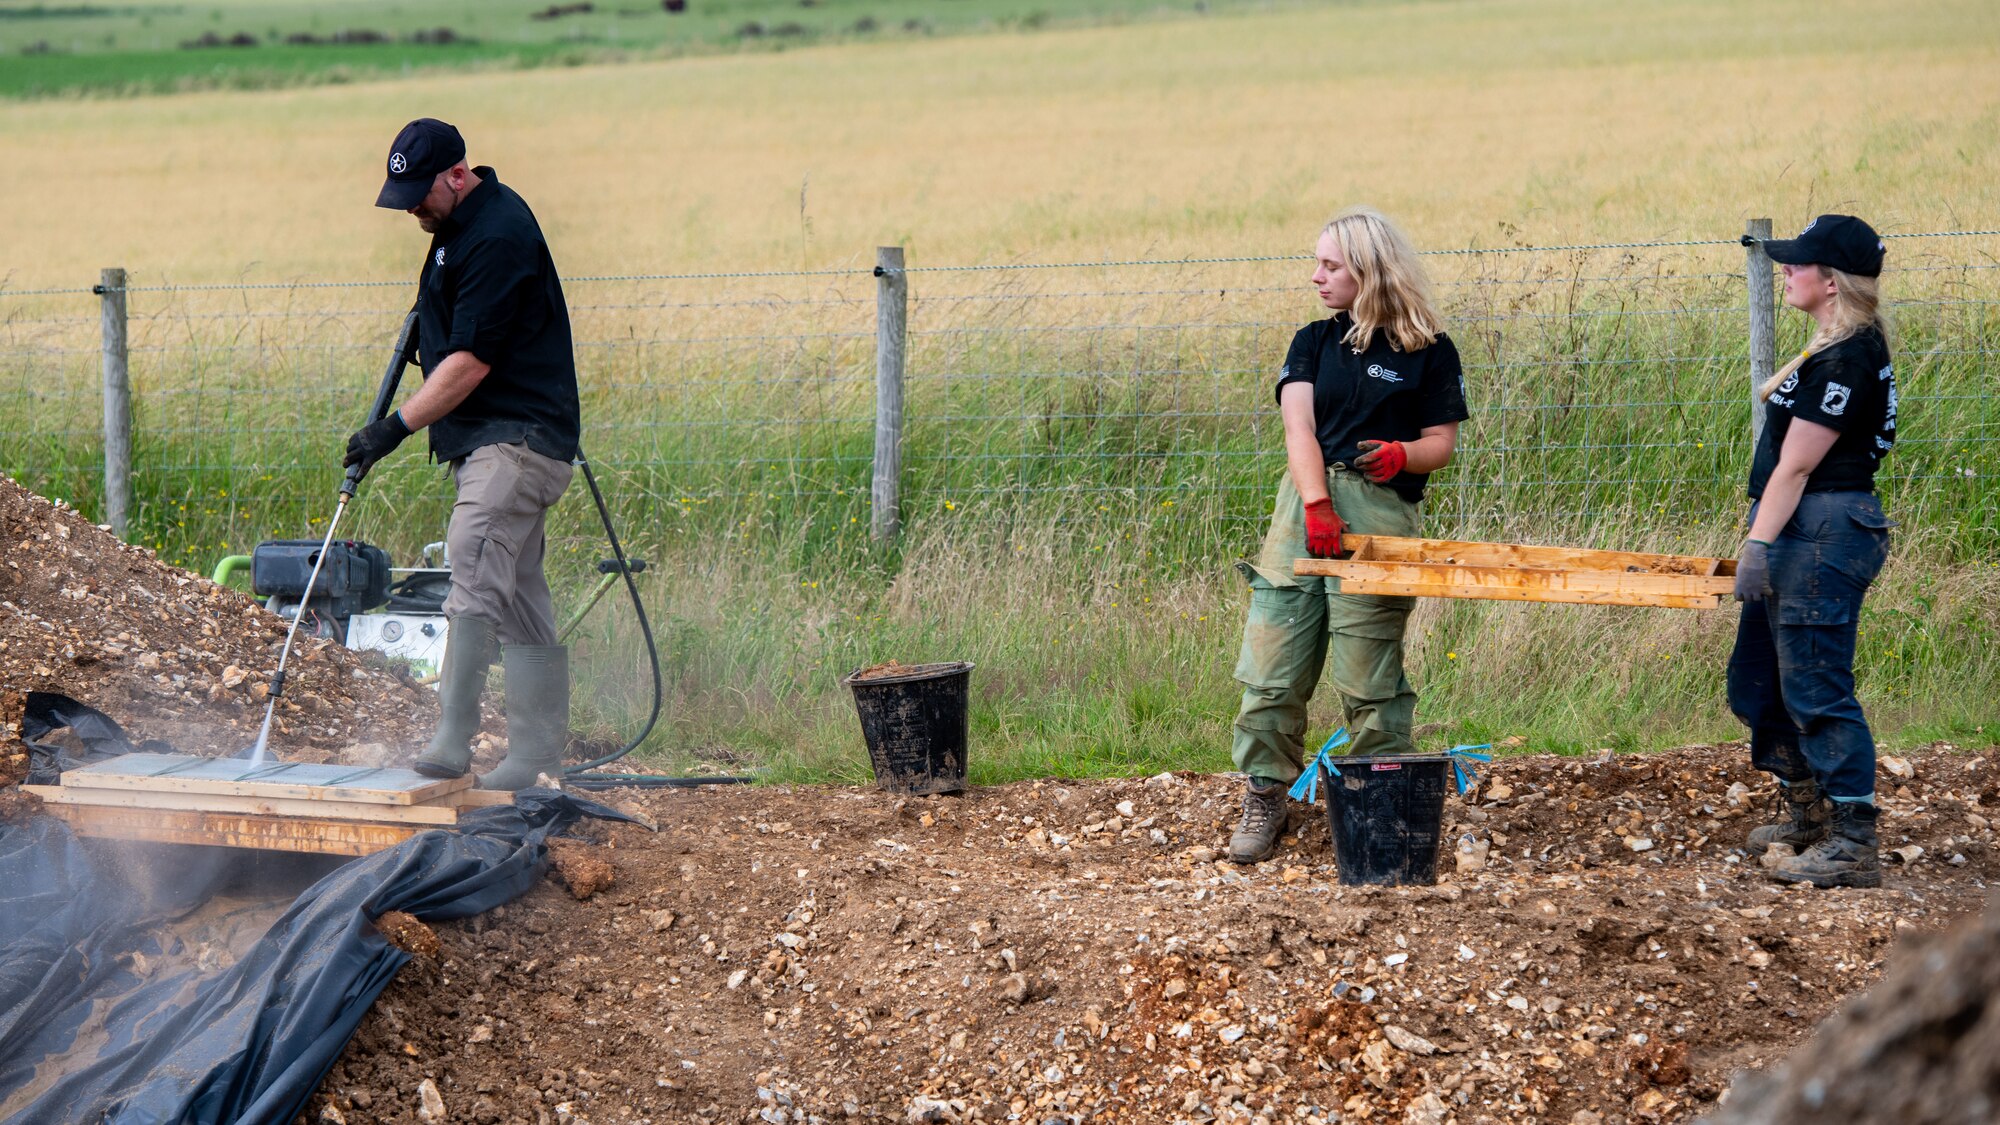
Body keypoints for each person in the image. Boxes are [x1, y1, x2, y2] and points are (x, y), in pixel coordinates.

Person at [344, 118, 583, 791]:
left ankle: (452, 741)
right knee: (520, 597)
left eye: (420, 192)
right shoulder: (457, 227)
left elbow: (471, 363)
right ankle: (536, 755)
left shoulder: (498, 233)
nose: (412, 207)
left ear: (458, 173)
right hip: (501, 437)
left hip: (516, 437)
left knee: (472, 558)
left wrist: (395, 427)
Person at [1226, 207, 1469, 864]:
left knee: (1369, 673)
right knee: (1274, 662)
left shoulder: (1429, 352)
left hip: (1382, 514)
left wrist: (1402, 455)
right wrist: (1315, 503)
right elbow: (1298, 429)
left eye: (1331, 265)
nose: (1317, 276)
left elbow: (1440, 443)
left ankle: (1375, 801)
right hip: (1302, 510)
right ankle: (1266, 791)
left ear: (1370, 270)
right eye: (1318, 263)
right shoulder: (1311, 341)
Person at [1728, 214, 1896, 889]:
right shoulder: (1831, 346)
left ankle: (1854, 837)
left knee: (1817, 684)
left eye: (1798, 263)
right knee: (1759, 679)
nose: (1785, 271)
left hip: (1821, 530)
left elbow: (1796, 467)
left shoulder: (1849, 357)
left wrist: (1757, 541)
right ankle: (1810, 806)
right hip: (1800, 527)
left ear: (1832, 280)